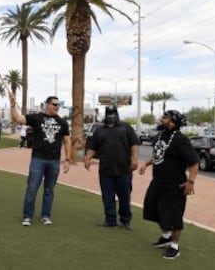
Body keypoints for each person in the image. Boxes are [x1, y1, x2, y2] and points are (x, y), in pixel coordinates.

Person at [138, 110, 199, 259]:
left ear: (172, 122)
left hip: (174, 185)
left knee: (173, 216)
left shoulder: (180, 140)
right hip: (158, 182)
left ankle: (174, 246)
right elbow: (159, 153)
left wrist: (190, 182)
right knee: (152, 209)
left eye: (164, 118)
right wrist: (146, 164)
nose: (161, 119)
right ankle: (166, 236)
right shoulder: (161, 135)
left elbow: (194, 161)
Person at [9, 93, 71, 226]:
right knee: (32, 188)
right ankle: (27, 216)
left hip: (54, 161)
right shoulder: (37, 118)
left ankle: (46, 216)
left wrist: (67, 160)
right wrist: (13, 104)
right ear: (47, 104)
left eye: (58, 105)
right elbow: (17, 118)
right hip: (38, 159)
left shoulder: (62, 122)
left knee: (49, 190)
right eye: (55, 104)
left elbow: (67, 141)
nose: (57, 107)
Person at [85, 105, 139, 230]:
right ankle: (110, 220)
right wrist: (88, 158)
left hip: (124, 169)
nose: (111, 116)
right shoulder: (99, 131)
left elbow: (134, 144)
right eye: (109, 114)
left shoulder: (126, 128)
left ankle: (126, 220)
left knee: (124, 196)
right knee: (107, 197)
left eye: (113, 113)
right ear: (106, 115)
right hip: (105, 170)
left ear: (117, 114)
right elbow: (93, 147)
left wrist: (135, 159)